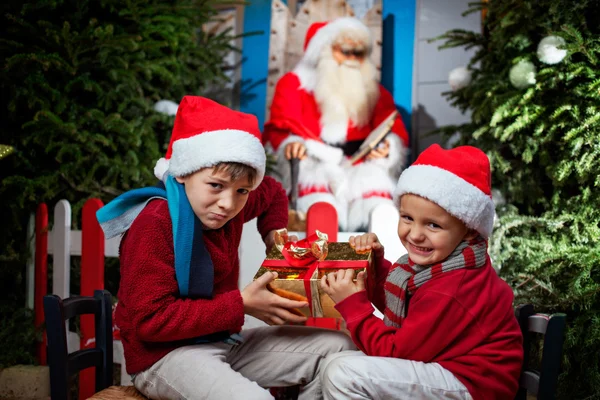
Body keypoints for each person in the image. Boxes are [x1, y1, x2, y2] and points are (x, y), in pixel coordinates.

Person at [96, 96, 355, 400]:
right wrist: (241, 303)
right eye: (215, 186)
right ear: (183, 172)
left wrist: (274, 234)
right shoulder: (155, 224)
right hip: (164, 357)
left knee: (339, 348)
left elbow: (271, 193)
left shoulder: (228, 209)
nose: (228, 204)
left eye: (242, 191)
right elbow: (149, 322)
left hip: (223, 342)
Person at [318, 144, 523, 400]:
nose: (414, 234)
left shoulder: (453, 286)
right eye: (407, 218)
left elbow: (395, 351)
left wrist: (353, 305)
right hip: (446, 367)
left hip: (474, 385)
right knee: (331, 363)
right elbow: (409, 309)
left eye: (433, 225)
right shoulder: (441, 266)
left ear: (469, 229)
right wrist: (374, 265)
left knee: (342, 373)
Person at [263, 17, 409, 231]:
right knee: (320, 210)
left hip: (362, 165)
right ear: (323, 50)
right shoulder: (294, 84)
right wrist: (291, 144)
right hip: (315, 164)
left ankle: (382, 258)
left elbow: (392, 125)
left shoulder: (373, 91)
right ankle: (321, 259)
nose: (351, 59)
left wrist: (388, 148)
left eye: (358, 53)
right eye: (344, 51)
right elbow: (279, 126)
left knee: (380, 209)